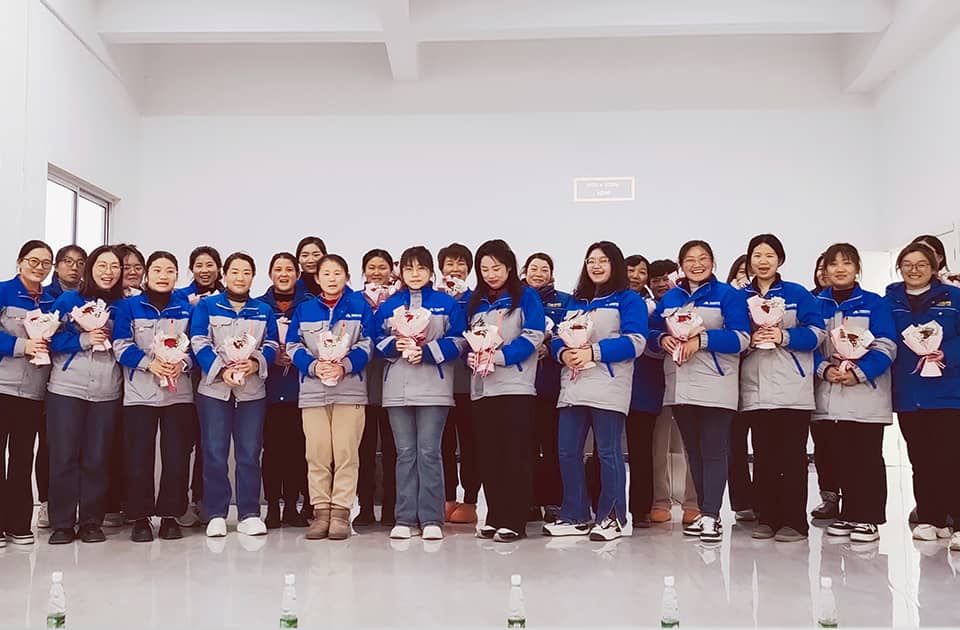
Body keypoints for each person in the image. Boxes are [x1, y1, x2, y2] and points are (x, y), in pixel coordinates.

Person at [544, 241, 646, 541]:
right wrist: (563, 353)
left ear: (615, 264)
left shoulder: (628, 299)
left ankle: (613, 517)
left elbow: (636, 341)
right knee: (567, 451)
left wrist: (594, 352)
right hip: (573, 385)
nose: (596, 266)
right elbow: (558, 337)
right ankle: (575, 514)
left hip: (608, 385)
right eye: (591, 261)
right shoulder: (578, 301)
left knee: (608, 452)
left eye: (602, 260)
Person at [650, 240, 750, 544]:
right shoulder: (671, 298)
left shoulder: (728, 295)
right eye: (690, 260)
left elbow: (741, 338)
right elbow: (652, 330)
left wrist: (702, 340)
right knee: (693, 452)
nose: (697, 264)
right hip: (680, 384)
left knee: (714, 450)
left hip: (716, 383)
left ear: (713, 262)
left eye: (703, 258)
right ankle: (706, 513)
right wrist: (661, 340)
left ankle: (711, 514)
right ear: (681, 265)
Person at [373, 246, 466, 541]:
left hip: (434, 388)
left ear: (430, 272)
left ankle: (431, 518)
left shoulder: (446, 303)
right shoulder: (389, 304)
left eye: (421, 268)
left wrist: (427, 352)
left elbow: (460, 341)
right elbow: (374, 338)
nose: (415, 274)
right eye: (409, 268)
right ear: (401, 272)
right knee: (405, 454)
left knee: (429, 452)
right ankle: (404, 518)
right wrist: (394, 345)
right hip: (396, 388)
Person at [739, 234, 825, 543]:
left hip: (792, 386)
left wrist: (784, 336)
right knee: (763, 456)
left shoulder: (797, 293)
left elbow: (817, 333)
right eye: (757, 255)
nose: (763, 261)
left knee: (792, 457)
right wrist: (749, 339)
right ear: (749, 260)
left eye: (769, 255)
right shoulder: (739, 296)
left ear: (780, 260)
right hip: (755, 387)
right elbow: (733, 334)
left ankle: (795, 522)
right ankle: (767, 518)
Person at [190, 252, 279, 538]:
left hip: (252, 393)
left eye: (246, 272)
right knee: (214, 453)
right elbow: (198, 340)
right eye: (235, 272)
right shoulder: (207, 306)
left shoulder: (263, 310)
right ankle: (216, 513)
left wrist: (255, 363)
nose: (240, 277)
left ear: (253, 277)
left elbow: (272, 345)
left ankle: (249, 513)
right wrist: (220, 369)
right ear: (224, 274)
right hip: (214, 391)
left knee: (249, 453)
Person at [814, 243, 896, 544]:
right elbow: (809, 345)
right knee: (839, 456)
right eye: (833, 263)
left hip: (865, 393)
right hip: (828, 392)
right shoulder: (815, 304)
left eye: (847, 263)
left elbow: (887, 344)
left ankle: (868, 518)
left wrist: (859, 372)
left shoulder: (875, 303)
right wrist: (824, 369)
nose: (840, 269)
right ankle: (848, 513)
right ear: (825, 269)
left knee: (866, 457)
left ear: (857, 268)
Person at [287, 254, 372, 541]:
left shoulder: (359, 307)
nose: (332, 278)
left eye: (337, 273)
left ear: (347, 277)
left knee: (346, 453)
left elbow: (367, 344)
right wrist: (313, 366)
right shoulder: (305, 309)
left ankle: (341, 513)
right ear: (317, 278)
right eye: (326, 273)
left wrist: (344, 365)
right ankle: (321, 511)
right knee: (317, 453)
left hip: (350, 390)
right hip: (313, 392)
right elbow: (293, 344)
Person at [112, 251, 195, 542]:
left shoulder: (186, 308)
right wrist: (150, 364)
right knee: (138, 457)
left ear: (177, 276)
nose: (163, 275)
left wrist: (182, 363)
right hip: (139, 394)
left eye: (170, 270)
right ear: (147, 274)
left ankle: (171, 515)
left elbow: (196, 347)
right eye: (157, 269)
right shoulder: (129, 306)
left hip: (178, 394)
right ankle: (140, 517)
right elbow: (120, 345)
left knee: (176, 457)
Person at [46, 245, 125, 544]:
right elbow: (48, 339)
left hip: (106, 390)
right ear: (90, 269)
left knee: (97, 458)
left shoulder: (124, 306)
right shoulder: (68, 300)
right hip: (67, 388)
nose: (108, 272)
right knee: (64, 456)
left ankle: (92, 521)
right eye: (102, 265)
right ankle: (62, 523)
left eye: (114, 266)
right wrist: (83, 338)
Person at [883, 242, 960, 549]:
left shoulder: (953, 297)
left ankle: (957, 521)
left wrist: (947, 353)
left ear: (934, 267)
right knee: (921, 459)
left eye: (921, 264)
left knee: (951, 458)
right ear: (899, 267)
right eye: (908, 264)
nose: (914, 270)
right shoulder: (890, 301)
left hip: (947, 392)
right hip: (909, 393)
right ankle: (930, 518)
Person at [468, 240, 545, 542]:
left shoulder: (526, 296)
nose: (490, 274)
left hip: (515, 386)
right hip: (483, 388)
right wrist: (472, 356)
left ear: (510, 267)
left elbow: (534, 335)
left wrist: (500, 357)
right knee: (489, 454)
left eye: (496, 268)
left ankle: (514, 519)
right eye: (484, 269)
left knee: (516, 454)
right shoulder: (476, 301)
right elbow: (467, 338)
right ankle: (495, 515)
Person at [0, 240, 56, 546]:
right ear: (20, 261)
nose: (39, 267)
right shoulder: (3, 292)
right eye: (34, 260)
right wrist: (23, 345)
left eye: (46, 263)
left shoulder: (50, 302)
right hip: (2, 386)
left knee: (23, 456)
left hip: (33, 392)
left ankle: (19, 523)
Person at [259, 252, 312, 529]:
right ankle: (272, 507)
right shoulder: (259, 306)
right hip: (268, 390)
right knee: (271, 451)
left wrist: (298, 355)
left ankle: (293, 505)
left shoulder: (309, 306)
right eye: (278, 269)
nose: (283, 274)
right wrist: (270, 356)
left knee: (297, 451)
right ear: (270, 274)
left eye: (289, 269)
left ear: (297, 274)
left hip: (300, 389)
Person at [646, 259, 700, 525]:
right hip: (658, 386)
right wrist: (660, 338)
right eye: (655, 279)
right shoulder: (653, 307)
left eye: (665, 278)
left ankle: (693, 502)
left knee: (693, 445)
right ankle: (660, 501)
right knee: (658, 446)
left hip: (695, 382)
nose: (661, 283)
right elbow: (649, 333)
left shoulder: (691, 300)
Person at [176, 245, 225, 527]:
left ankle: (203, 500)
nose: (204, 270)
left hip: (216, 378)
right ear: (191, 269)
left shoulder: (229, 297)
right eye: (199, 265)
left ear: (219, 268)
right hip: (184, 377)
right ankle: (179, 502)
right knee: (184, 442)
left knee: (210, 443)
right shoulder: (180, 297)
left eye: (210, 265)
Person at [523, 252, 572, 523]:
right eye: (534, 268)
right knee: (526, 446)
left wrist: (549, 345)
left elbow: (571, 331)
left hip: (552, 385)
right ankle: (528, 500)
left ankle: (554, 501)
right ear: (525, 271)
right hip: (521, 386)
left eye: (545, 269)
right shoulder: (516, 299)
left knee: (553, 445)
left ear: (552, 274)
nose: (539, 273)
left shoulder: (564, 300)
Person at [437, 242, 482, 524]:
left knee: (470, 444)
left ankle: (471, 500)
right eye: (449, 264)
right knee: (442, 444)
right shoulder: (432, 300)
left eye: (461, 263)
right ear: (441, 268)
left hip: (469, 384)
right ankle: (447, 497)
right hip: (438, 385)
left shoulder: (478, 299)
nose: (455, 269)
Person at [356, 249, 399, 526]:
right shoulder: (354, 300)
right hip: (361, 386)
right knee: (364, 450)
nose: (376, 272)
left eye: (382, 267)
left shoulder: (399, 301)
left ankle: (392, 507)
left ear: (391, 271)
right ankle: (365, 507)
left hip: (392, 384)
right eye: (371, 267)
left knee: (394, 449)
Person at [726, 253, 755, 522]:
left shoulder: (774, 302)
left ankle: (765, 497)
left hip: (760, 382)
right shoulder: (727, 300)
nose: (747, 277)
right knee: (734, 445)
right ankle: (742, 502)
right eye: (742, 271)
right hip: (730, 383)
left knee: (763, 444)